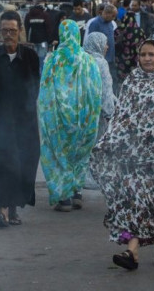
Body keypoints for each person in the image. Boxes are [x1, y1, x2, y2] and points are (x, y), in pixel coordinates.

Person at [90, 39, 154, 270]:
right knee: (136, 201)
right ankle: (132, 251)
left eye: (152, 54)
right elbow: (121, 114)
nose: (147, 59)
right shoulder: (132, 81)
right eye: (143, 54)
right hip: (135, 154)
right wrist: (109, 140)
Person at [0, 10, 41, 228]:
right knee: (1, 163)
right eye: (5, 30)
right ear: (0, 31)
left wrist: (24, 110)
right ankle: (3, 210)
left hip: (25, 121)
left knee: (24, 164)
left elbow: (34, 87)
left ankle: (14, 209)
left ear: (20, 31)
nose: (8, 35)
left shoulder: (31, 57)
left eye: (12, 31)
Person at [38, 20, 102, 212]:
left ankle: (63, 197)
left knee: (59, 154)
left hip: (58, 119)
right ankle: (77, 192)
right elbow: (96, 90)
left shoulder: (53, 60)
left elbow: (46, 91)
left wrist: (45, 115)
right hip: (84, 119)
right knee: (80, 155)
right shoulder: (89, 61)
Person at [83, 32, 116, 140]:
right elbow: (105, 93)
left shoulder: (80, 60)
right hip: (97, 116)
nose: (107, 47)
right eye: (105, 43)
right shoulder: (101, 63)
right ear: (98, 44)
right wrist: (111, 115)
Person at [87, 4, 119, 92]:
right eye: (113, 16)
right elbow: (91, 41)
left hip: (111, 58)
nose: (114, 18)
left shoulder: (111, 23)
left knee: (113, 81)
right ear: (107, 13)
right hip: (100, 60)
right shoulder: (95, 23)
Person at [114, 11, 147, 83]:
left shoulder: (119, 30)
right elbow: (144, 44)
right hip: (135, 59)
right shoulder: (140, 31)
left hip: (121, 60)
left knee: (122, 81)